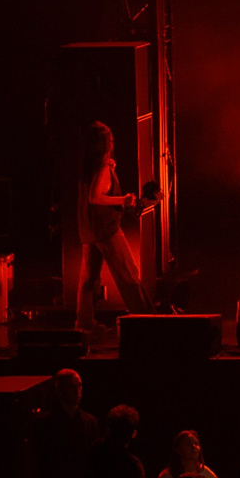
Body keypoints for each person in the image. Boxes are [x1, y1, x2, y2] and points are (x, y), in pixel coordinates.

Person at [75, 120, 148, 329]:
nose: (113, 142)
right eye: (111, 139)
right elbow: (95, 197)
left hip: (89, 230)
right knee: (128, 276)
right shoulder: (101, 168)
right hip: (106, 230)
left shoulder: (87, 166)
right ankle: (147, 320)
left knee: (88, 279)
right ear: (105, 144)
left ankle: (84, 322)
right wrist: (122, 200)